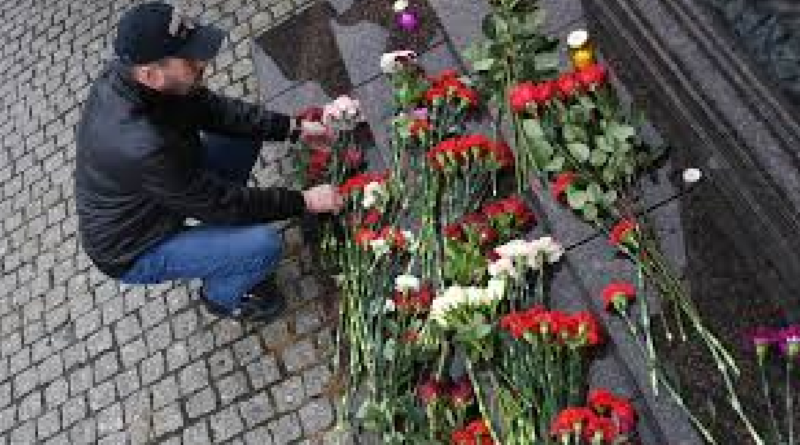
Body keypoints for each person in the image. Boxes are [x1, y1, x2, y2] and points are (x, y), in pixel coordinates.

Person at [74, 1, 343, 322]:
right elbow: (221, 202)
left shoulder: (138, 77)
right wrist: (305, 202)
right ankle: (222, 296)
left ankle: (222, 242)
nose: (203, 61)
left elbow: (216, 111)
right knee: (263, 246)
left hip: (166, 189)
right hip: (136, 246)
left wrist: (294, 129)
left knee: (241, 131)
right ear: (151, 74)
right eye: (189, 58)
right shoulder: (141, 146)